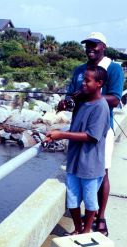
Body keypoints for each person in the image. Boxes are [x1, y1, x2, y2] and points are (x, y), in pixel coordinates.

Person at [61, 32, 124, 236]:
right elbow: (72, 94)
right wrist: (67, 101)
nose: (90, 48)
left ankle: (101, 216)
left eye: (94, 45)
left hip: (101, 128)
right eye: (87, 45)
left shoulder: (113, 68)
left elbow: (115, 99)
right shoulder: (80, 70)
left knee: (102, 171)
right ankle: (85, 218)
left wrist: (87, 96)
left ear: (103, 47)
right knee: (78, 171)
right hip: (78, 127)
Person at [44, 65, 110, 234]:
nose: (83, 84)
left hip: (91, 165)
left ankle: (86, 231)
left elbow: (90, 136)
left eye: (87, 81)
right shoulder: (82, 101)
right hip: (74, 162)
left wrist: (62, 135)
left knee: (90, 202)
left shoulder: (101, 107)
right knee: (72, 200)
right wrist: (64, 105)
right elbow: (73, 118)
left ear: (99, 83)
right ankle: (78, 230)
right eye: (83, 80)